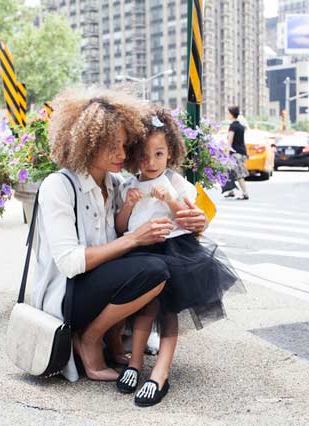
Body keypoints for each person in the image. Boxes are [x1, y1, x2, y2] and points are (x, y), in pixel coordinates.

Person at [30, 88, 209, 383]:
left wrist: (198, 221)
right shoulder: (58, 186)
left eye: (126, 146)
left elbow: (162, 208)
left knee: (158, 268)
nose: (123, 155)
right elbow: (70, 263)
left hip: (100, 287)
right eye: (113, 146)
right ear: (88, 143)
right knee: (153, 269)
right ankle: (89, 338)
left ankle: (113, 339)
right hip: (66, 294)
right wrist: (135, 238)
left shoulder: (116, 185)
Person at [114, 106, 242, 406]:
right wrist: (129, 206)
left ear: (170, 153)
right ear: (134, 157)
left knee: (167, 313)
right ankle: (135, 364)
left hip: (174, 252)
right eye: (144, 156)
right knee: (144, 310)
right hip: (140, 251)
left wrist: (170, 198)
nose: (151, 162)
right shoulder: (129, 185)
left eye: (158, 154)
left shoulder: (177, 183)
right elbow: (121, 227)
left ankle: (160, 372)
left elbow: (190, 219)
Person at [223, 106, 249, 200]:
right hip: (242, 152)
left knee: (238, 174)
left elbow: (230, 141)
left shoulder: (233, 126)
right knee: (230, 171)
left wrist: (226, 154)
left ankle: (245, 193)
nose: (227, 115)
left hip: (235, 153)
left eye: (228, 113)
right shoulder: (241, 127)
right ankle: (231, 191)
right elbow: (243, 141)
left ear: (231, 114)